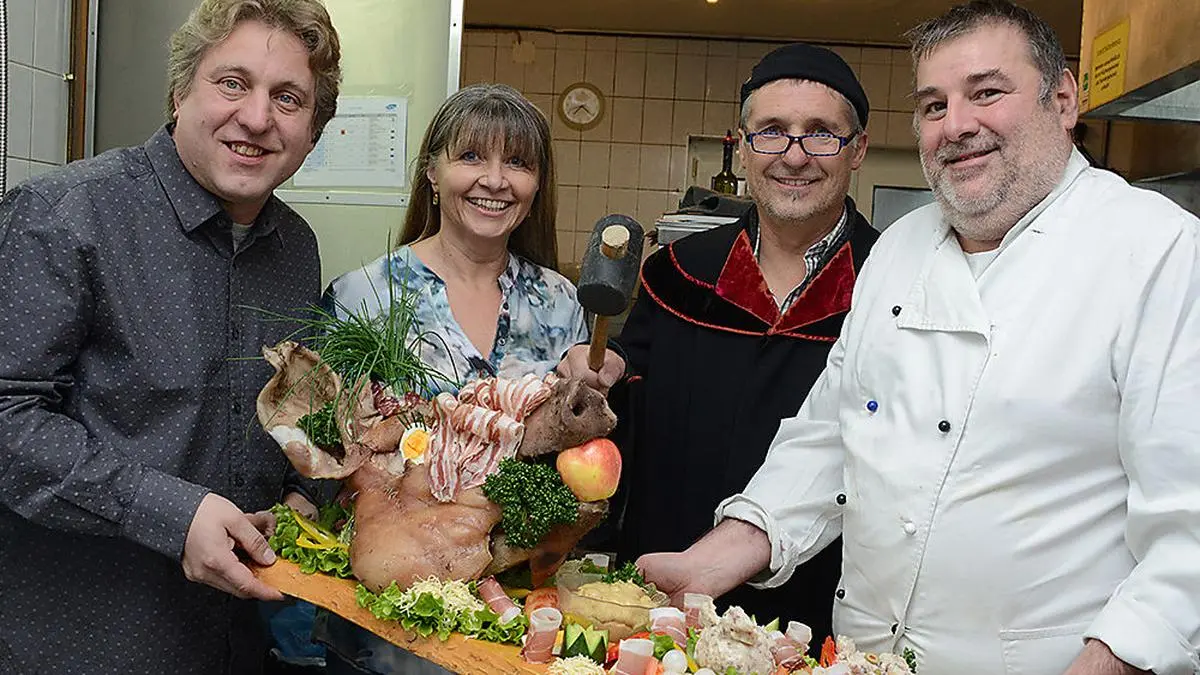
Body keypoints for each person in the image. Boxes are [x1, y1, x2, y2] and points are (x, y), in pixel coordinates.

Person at [637, 2, 1200, 674]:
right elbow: (831, 436)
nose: (956, 125)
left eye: (986, 92)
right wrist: (712, 559)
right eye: (934, 105)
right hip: (863, 657)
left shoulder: (1156, 250)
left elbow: (1189, 534)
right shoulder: (902, 247)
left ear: (1063, 98)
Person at [0, 1, 341, 673]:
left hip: (238, 640)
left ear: (313, 131)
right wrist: (174, 512)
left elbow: (291, 411)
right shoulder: (64, 216)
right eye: (232, 83)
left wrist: (306, 495)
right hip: (84, 642)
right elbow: (8, 420)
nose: (256, 118)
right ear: (181, 90)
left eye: (289, 98)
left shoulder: (295, 249)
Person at [557, 44, 878, 641]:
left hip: (823, 615)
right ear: (744, 142)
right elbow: (622, 404)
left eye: (821, 134)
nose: (794, 155)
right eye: (772, 131)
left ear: (857, 148)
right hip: (665, 596)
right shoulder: (678, 273)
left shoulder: (893, 285)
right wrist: (599, 374)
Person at [313, 82, 588, 675]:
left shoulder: (560, 300)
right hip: (389, 614)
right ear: (432, 173)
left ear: (536, 187)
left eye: (517, 162)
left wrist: (589, 397)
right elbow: (325, 448)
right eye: (471, 157)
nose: (495, 179)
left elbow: (575, 456)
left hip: (519, 611)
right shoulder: (363, 295)